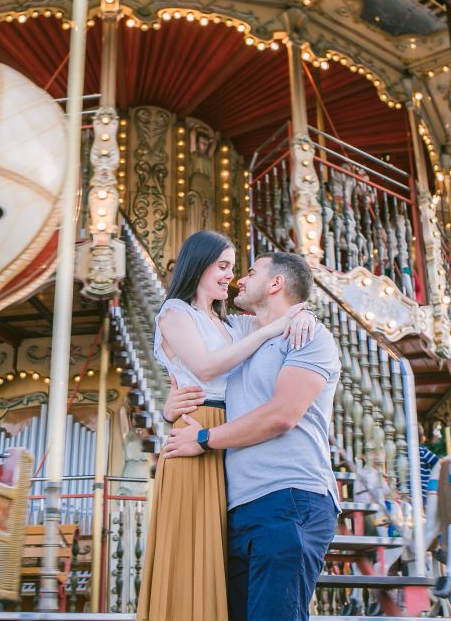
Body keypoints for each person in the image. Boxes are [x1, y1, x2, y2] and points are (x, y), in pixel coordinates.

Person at [136, 231, 315, 621]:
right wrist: (169, 412)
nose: (230, 277)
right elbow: (203, 367)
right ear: (198, 266)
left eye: (234, 269)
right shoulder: (174, 313)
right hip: (196, 431)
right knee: (190, 550)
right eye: (223, 267)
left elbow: (281, 311)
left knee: (220, 556)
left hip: (227, 439)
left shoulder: (231, 325)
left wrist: (303, 313)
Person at [164, 251, 342, 621]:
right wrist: (172, 404)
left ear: (276, 283)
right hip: (240, 506)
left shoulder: (310, 337)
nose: (239, 281)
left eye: (250, 272)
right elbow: (199, 365)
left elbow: (281, 416)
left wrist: (204, 439)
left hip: (290, 496)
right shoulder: (243, 334)